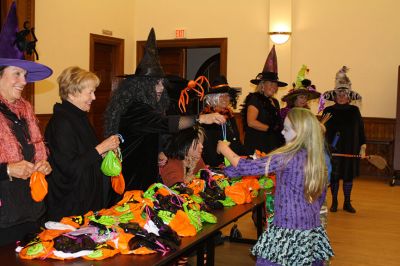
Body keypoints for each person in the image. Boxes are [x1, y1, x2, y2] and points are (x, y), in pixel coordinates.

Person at [104, 28, 225, 196]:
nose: (161, 88)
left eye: (162, 83)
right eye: (156, 83)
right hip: (130, 175)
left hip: (144, 171)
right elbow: (165, 123)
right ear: (142, 86)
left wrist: (159, 151)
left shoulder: (147, 107)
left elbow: (151, 132)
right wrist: (201, 118)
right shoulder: (135, 108)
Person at [218, 107, 334, 265]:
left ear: (300, 133)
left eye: (286, 129)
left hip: (287, 227)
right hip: (310, 227)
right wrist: (228, 171)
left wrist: (225, 149)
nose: (282, 133)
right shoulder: (316, 157)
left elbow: (247, 167)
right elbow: (320, 197)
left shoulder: (287, 156)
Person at [0, 2, 53, 246]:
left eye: (25, 75)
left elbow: (34, 153)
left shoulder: (26, 111)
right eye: (17, 74)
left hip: (31, 210)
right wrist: (8, 170)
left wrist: (42, 165)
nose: (24, 81)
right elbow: (9, 166)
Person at [45, 66, 121, 222]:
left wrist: (106, 152)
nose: (94, 97)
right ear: (72, 93)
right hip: (70, 205)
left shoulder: (79, 117)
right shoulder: (61, 122)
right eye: (90, 92)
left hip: (86, 200)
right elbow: (69, 167)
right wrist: (101, 148)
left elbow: (87, 155)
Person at [322, 66, 366, 213]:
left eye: (344, 94)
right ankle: (334, 202)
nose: (341, 97)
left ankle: (347, 202)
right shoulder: (328, 111)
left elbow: (360, 130)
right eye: (338, 94)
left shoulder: (354, 111)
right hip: (332, 150)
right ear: (334, 96)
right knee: (334, 176)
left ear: (348, 96)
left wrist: (363, 147)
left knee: (348, 176)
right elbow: (321, 130)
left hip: (350, 148)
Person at [241, 45, 287, 155]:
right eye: (270, 83)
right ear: (262, 85)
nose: (274, 87)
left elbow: (276, 122)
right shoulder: (254, 99)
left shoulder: (275, 102)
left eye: (275, 84)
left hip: (271, 144)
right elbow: (251, 122)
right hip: (256, 145)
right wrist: (271, 130)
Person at [201, 75, 244, 168]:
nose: (225, 99)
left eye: (227, 96)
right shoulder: (208, 117)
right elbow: (209, 146)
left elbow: (236, 139)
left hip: (233, 161)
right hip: (217, 165)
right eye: (221, 96)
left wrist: (241, 158)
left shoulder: (230, 115)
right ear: (213, 98)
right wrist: (219, 165)